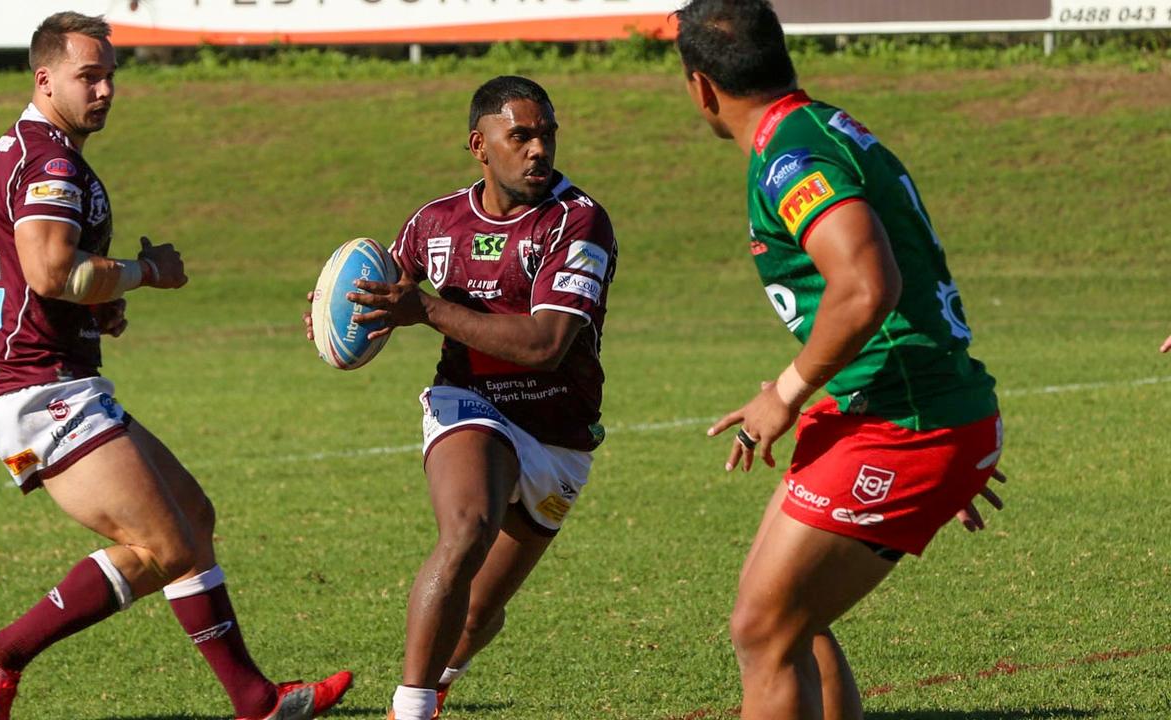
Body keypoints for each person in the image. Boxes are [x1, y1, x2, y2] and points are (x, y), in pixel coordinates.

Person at [0, 12, 351, 720]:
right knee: (166, 543)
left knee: (192, 517)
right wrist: (144, 272)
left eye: (111, 75)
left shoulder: (15, 148)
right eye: (89, 76)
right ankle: (6, 656)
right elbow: (48, 270)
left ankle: (248, 699)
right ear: (45, 79)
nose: (105, 90)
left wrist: (88, 306)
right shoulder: (50, 160)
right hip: (39, 391)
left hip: (54, 380)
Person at [673, 2, 1007, 718]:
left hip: (903, 421)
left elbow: (867, 286)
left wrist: (787, 393)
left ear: (702, 88)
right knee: (790, 621)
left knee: (765, 630)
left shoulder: (794, 155)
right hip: (902, 408)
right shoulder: (817, 126)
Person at [305, 75, 617, 720]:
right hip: (469, 402)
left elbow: (545, 345)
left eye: (547, 135)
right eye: (521, 136)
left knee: (478, 615)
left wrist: (422, 308)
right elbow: (383, 290)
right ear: (481, 145)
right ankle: (410, 710)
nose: (538, 150)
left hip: (561, 430)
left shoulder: (575, 220)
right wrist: (340, 310)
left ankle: (439, 684)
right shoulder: (433, 222)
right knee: (467, 528)